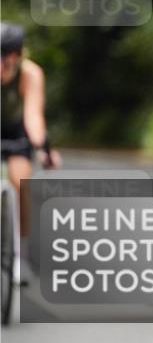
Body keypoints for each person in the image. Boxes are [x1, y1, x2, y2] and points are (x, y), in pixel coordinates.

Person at [1, 22, 61, 286]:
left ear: (17, 56)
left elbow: (33, 116)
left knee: (21, 180)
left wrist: (44, 149)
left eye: (6, 58)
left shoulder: (30, 74)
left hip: (17, 132)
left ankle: (20, 253)